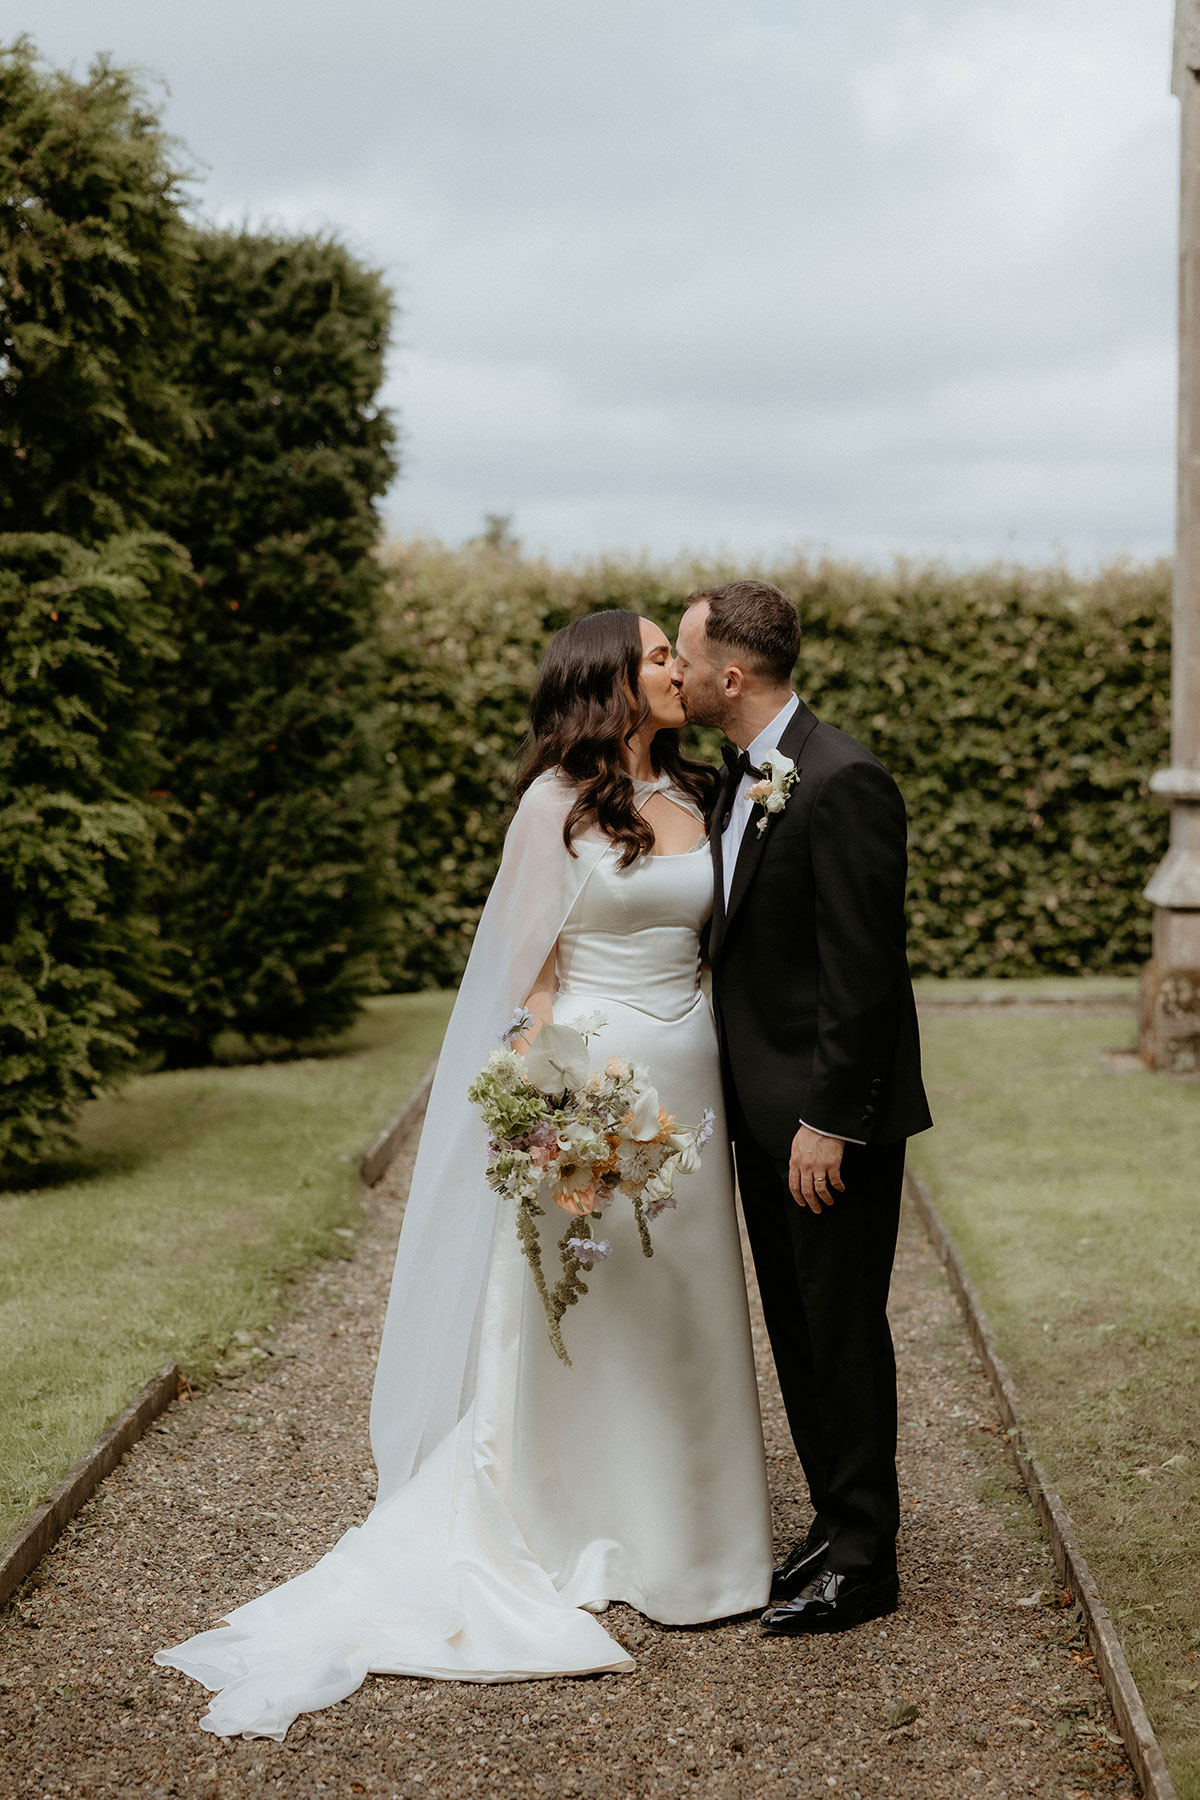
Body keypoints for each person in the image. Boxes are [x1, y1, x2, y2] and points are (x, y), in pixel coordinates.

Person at [156, 610, 773, 1740]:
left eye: (673, 653)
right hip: (598, 1083)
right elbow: (525, 977)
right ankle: (559, 1527)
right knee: (577, 1309)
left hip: (696, 1087)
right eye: (656, 655)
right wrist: (560, 1098)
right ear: (609, 682)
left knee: (682, 1310)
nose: (678, 669)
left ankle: (696, 1544)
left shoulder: (706, 794)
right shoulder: (555, 809)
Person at [673, 579, 932, 1637]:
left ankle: (868, 1560)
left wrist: (831, 1119)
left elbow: (865, 976)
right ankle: (834, 1521)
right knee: (796, 1330)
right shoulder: (741, 782)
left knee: (841, 1328)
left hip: (830, 1126)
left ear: (730, 676)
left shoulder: (842, 780)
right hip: (762, 1121)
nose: (678, 674)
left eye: (685, 657)